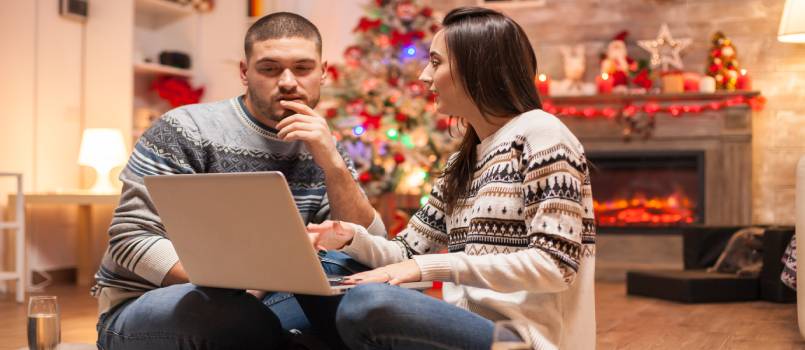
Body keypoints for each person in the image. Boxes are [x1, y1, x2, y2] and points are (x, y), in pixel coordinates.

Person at [305, 6, 596, 350]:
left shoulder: (542, 134)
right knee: (321, 270)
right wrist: (348, 236)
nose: (424, 76)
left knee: (367, 303)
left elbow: (554, 266)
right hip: (470, 327)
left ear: (478, 68)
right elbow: (406, 252)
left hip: (523, 339)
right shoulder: (464, 160)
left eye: (437, 62)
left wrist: (431, 267)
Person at [92, 12, 385, 349]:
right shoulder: (186, 129)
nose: (288, 82)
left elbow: (368, 244)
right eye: (270, 68)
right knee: (232, 316)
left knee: (362, 304)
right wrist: (232, 282)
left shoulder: (325, 147)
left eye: (303, 68)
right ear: (245, 73)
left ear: (323, 72)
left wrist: (333, 163)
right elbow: (130, 238)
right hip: (155, 302)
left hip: (266, 302)